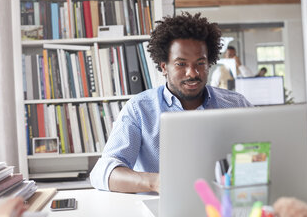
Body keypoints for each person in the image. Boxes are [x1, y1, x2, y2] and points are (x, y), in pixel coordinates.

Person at [90, 12, 252, 193]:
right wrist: (155, 182)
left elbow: (268, 153)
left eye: (200, 63)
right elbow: (103, 172)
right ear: (163, 67)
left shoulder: (237, 104)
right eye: (181, 64)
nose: (192, 73)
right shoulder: (140, 109)